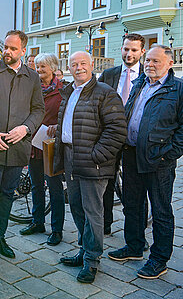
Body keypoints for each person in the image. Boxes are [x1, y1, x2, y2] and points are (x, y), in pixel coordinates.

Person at [108, 45, 183, 279]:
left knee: (161, 211)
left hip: (158, 160)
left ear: (170, 63)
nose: (150, 64)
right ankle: (134, 247)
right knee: (133, 203)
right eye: (148, 60)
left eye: (156, 61)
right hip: (131, 154)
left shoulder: (177, 89)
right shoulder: (140, 82)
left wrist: (169, 153)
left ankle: (159, 259)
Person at [54, 51, 127, 284]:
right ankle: (84, 252)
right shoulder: (69, 91)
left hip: (93, 163)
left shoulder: (105, 93)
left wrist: (97, 156)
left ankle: (92, 261)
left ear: (92, 65)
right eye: (74, 64)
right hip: (70, 158)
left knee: (93, 212)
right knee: (76, 207)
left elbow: (117, 130)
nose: (78, 68)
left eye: (83, 63)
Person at [0, 30, 45, 262]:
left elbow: (38, 110)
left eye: (13, 48)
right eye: (5, 47)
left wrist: (25, 128)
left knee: (6, 194)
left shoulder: (32, 77)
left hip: (17, 147)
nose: (7, 51)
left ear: (23, 50)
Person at [98, 34, 145, 235]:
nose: (129, 53)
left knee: (136, 188)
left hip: (136, 141)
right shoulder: (109, 75)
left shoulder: (148, 74)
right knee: (106, 183)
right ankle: (105, 223)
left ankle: (136, 231)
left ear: (142, 52)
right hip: (110, 137)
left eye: (134, 50)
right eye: (126, 49)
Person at [19, 53, 65, 246]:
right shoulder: (32, 88)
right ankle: (37, 222)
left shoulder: (63, 90)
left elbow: (68, 114)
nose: (38, 71)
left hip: (50, 145)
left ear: (53, 68)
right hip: (33, 144)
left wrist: (58, 125)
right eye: (37, 67)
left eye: (43, 67)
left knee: (55, 189)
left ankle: (57, 230)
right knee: (37, 186)